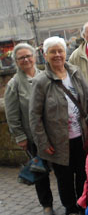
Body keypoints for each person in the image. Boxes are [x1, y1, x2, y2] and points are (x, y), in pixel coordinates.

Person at [30, 36, 88, 215]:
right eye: (53, 52)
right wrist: (42, 142)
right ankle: (70, 208)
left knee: (83, 173)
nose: (58, 55)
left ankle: (82, 205)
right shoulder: (41, 81)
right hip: (57, 140)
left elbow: (87, 100)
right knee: (64, 178)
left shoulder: (74, 72)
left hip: (81, 136)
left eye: (61, 51)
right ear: (45, 55)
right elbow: (34, 116)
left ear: (66, 53)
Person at [5, 43, 54, 215]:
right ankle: (47, 205)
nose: (26, 60)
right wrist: (20, 136)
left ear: (34, 56)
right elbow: (11, 114)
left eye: (28, 56)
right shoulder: (14, 84)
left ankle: (70, 201)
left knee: (63, 171)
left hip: (54, 134)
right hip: (33, 137)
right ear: (16, 62)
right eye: (21, 58)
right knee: (40, 173)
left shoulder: (46, 75)